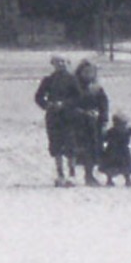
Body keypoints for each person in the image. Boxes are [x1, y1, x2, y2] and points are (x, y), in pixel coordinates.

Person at [34, 55, 84, 187]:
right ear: (53, 64)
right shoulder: (48, 80)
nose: (60, 64)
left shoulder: (72, 79)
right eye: (57, 62)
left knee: (71, 146)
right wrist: (47, 105)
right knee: (56, 147)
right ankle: (60, 174)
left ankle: (72, 174)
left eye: (63, 62)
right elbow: (38, 97)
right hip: (53, 117)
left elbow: (79, 97)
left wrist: (65, 104)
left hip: (69, 117)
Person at [73, 59, 110, 186]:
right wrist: (81, 112)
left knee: (94, 149)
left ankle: (90, 174)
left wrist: (103, 119)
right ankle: (76, 175)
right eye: (85, 72)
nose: (88, 74)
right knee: (81, 149)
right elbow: (70, 104)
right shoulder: (74, 87)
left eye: (91, 72)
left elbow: (104, 105)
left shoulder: (97, 89)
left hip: (95, 123)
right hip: (79, 123)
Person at [97, 112, 131, 188]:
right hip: (114, 152)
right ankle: (110, 180)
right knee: (112, 167)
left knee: (126, 167)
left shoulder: (125, 131)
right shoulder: (112, 131)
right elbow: (103, 138)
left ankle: (127, 180)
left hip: (118, 152)